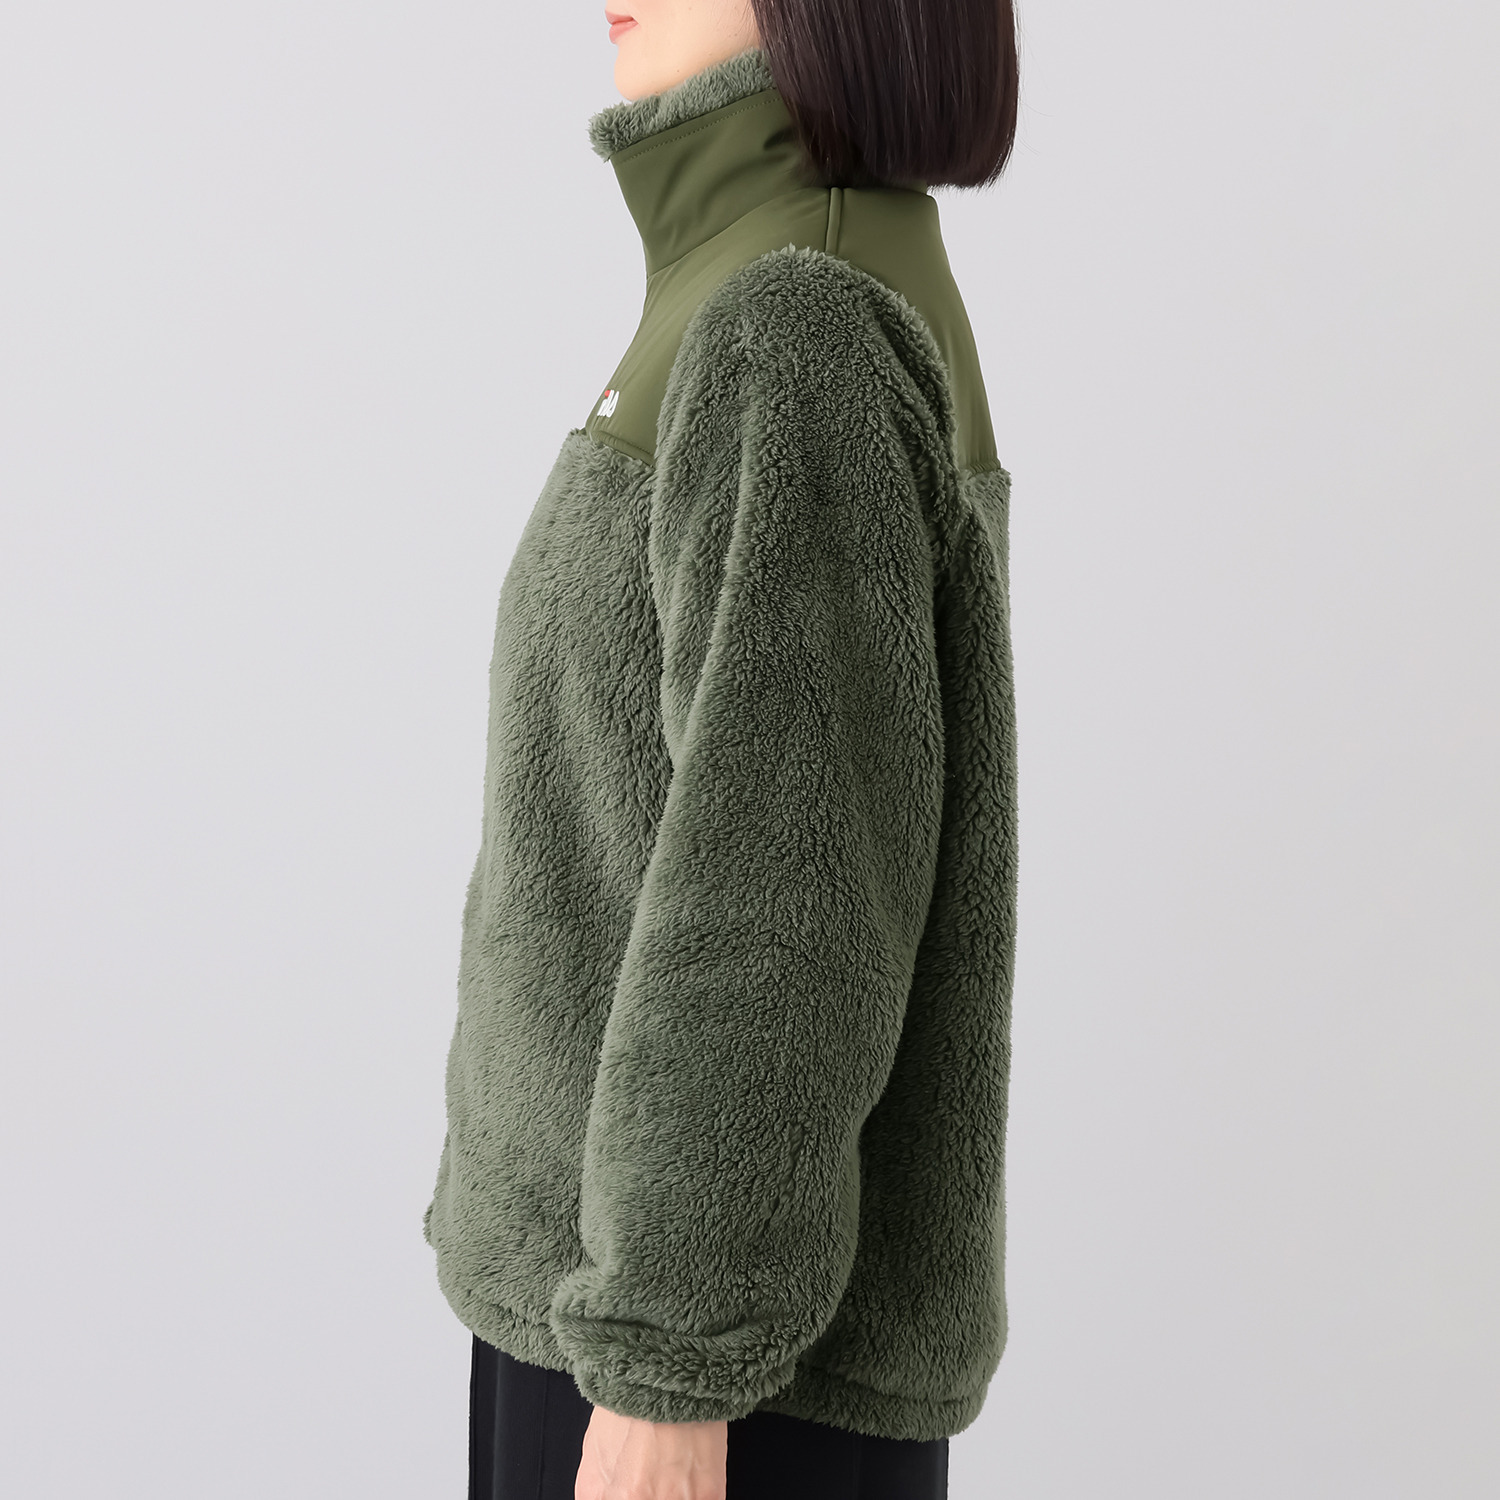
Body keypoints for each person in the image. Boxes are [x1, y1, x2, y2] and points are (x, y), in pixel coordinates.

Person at [423, 2, 1021, 1495]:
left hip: (704, 1375)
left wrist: (668, 1371)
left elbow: (787, 895)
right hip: (629, 1318)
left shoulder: (793, 319)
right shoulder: (759, 282)